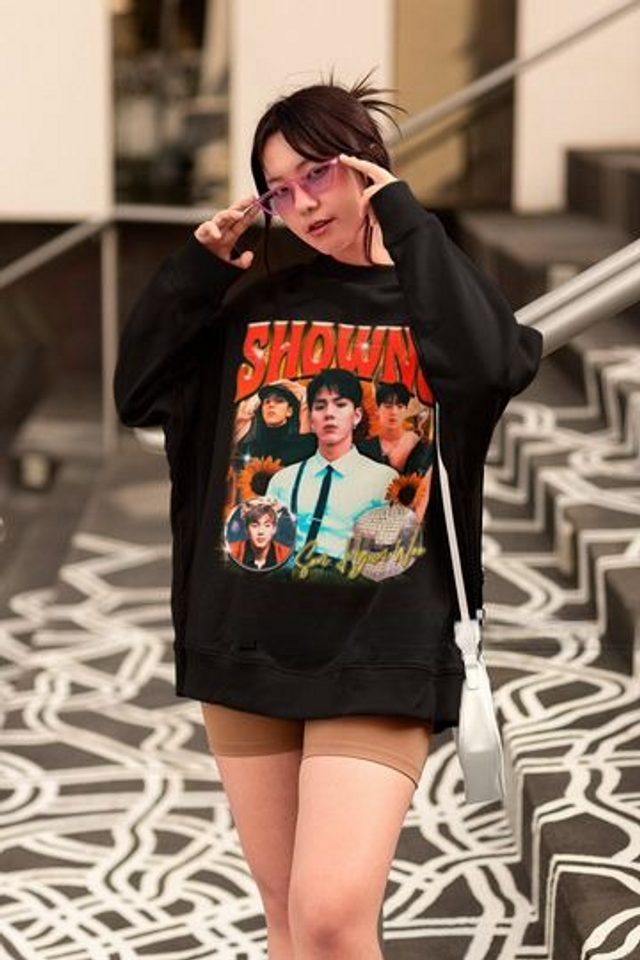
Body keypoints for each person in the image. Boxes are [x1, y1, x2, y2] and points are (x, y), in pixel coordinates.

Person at [114, 75, 542, 959]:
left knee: (332, 917)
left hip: (385, 645)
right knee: (288, 922)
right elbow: (137, 392)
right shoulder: (257, 300)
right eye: (279, 190)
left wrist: (409, 222)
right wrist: (197, 271)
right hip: (246, 639)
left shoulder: (435, 296)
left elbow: (494, 366)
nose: (303, 203)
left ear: (366, 167)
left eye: (318, 174)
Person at [267, 368, 398, 565]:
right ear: (311, 419)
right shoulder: (283, 480)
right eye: (320, 406)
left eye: (340, 405)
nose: (329, 414)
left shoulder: (385, 480)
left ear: (357, 416)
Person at [226, 498, 293, 571]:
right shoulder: (233, 551)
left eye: (267, 525)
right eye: (255, 526)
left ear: (274, 529)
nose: (261, 531)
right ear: (246, 529)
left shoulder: (284, 553)